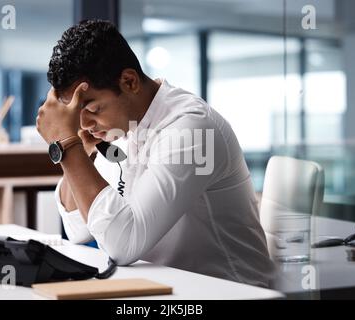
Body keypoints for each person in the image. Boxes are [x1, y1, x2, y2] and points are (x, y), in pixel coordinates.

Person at [36, 19, 275, 288]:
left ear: (129, 81)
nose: (85, 125)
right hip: (164, 290)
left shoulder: (191, 128)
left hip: (230, 292)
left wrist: (67, 144)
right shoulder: (122, 128)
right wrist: (76, 144)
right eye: (76, 116)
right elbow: (79, 228)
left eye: (92, 110)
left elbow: (122, 245)